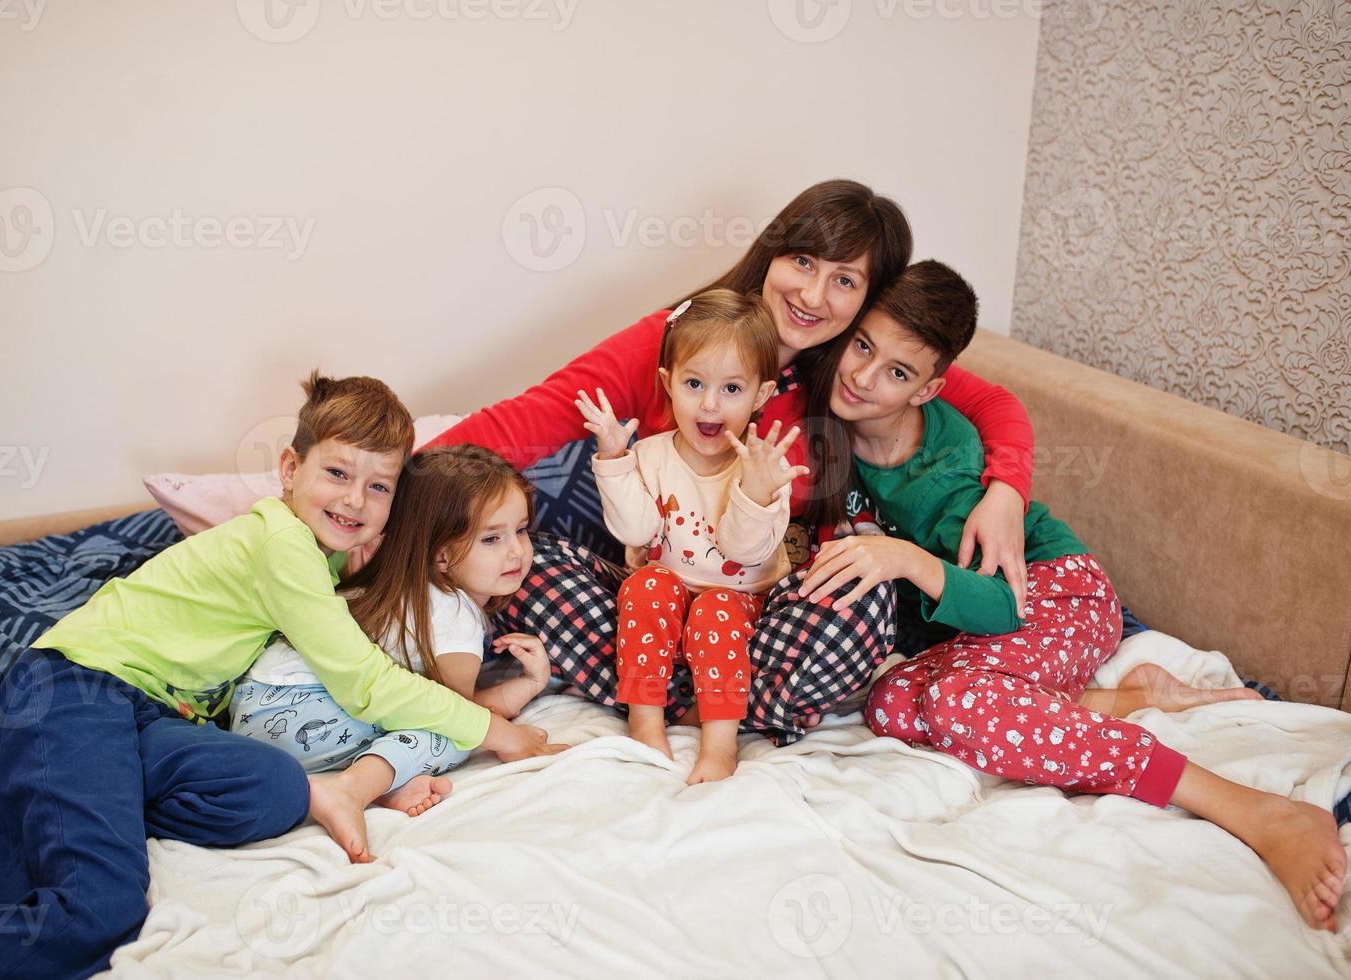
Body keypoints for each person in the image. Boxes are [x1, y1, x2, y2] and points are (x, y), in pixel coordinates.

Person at [0, 373, 564, 980]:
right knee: (100, 909)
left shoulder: (325, 558)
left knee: (275, 787)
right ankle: (42, 791)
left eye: (378, 488)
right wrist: (491, 730)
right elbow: (362, 681)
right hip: (77, 687)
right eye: (337, 473)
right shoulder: (282, 545)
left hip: (148, 714)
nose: (353, 499)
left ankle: (49, 788)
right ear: (289, 468)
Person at [799, 259, 1346, 933]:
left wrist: (909, 560)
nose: (861, 376)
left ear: (927, 390)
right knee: (888, 704)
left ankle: (1252, 809)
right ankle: (1137, 695)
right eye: (862, 347)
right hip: (985, 626)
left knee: (952, 700)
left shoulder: (943, 476)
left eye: (897, 372)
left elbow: (1004, 604)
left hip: (1057, 595)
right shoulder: (834, 416)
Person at [427, 179, 1039, 743]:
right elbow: (526, 420)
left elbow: (994, 401)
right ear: (771, 254)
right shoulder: (679, 337)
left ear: (868, 304)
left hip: (765, 609)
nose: (811, 294)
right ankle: (705, 701)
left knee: (863, 596)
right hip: (651, 603)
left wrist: (1007, 489)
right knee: (525, 564)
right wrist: (392, 496)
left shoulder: (852, 370)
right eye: (802, 261)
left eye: (845, 281)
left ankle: (694, 699)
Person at [230, 444, 553, 855]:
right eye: (492, 538)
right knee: (453, 736)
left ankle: (387, 784)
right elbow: (461, 711)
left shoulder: (394, 588)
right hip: (298, 716)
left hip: (253, 705)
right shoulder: (454, 612)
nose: (517, 551)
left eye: (521, 530)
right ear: (441, 555)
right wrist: (530, 684)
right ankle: (351, 788)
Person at [578, 290, 802, 782]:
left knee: (714, 608)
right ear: (668, 383)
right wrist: (616, 460)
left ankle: (719, 745)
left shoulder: (765, 470)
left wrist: (755, 493)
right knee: (644, 583)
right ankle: (645, 721)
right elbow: (634, 531)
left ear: (761, 395)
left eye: (731, 389)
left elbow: (744, 551)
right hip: (665, 596)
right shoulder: (652, 454)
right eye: (694, 383)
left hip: (740, 602)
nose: (708, 404)